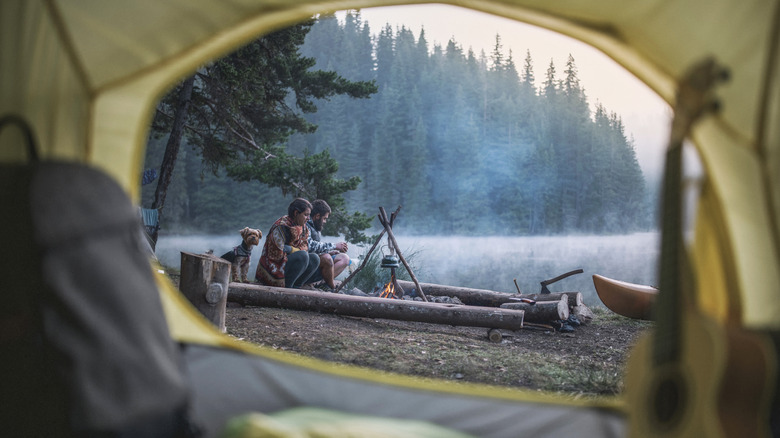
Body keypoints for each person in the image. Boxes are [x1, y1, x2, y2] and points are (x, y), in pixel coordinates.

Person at [255, 198, 321, 289]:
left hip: (288, 261)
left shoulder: (303, 228)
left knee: (315, 258)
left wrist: (291, 249)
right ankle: (287, 287)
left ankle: (296, 286)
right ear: (296, 213)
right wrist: (294, 250)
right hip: (273, 268)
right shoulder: (281, 226)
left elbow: (305, 247)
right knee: (303, 256)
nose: (308, 218)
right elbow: (277, 253)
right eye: (306, 215)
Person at [306, 199, 350, 290]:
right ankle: (332, 287)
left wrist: (329, 251)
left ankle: (322, 283)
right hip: (307, 266)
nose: (325, 221)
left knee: (344, 258)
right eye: (324, 218)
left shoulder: (316, 227)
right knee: (327, 258)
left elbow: (315, 249)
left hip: (316, 261)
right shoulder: (305, 225)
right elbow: (309, 246)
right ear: (317, 216)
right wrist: (335, 245)